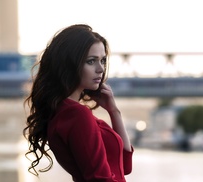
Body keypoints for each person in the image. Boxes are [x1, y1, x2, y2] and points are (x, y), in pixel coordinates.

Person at [23, 24, 133, 182]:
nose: (100, 69)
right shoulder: (76, 115)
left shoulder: (62, 111)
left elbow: (124, 166)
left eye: (102, 60)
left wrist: (114, 112)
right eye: (91, 61)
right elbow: (99, 178)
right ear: (69, 64)